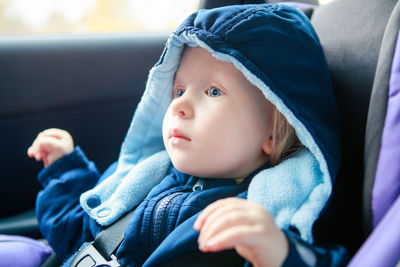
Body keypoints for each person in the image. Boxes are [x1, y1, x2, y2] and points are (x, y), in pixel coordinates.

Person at [27, 4, 347, 267]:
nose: (179, 104)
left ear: (274, 135)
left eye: (212, 91)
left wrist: (280, 254)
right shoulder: (142, 180)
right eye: (179, 89)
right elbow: (74, 235)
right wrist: (66, 172)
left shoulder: (271, 217)